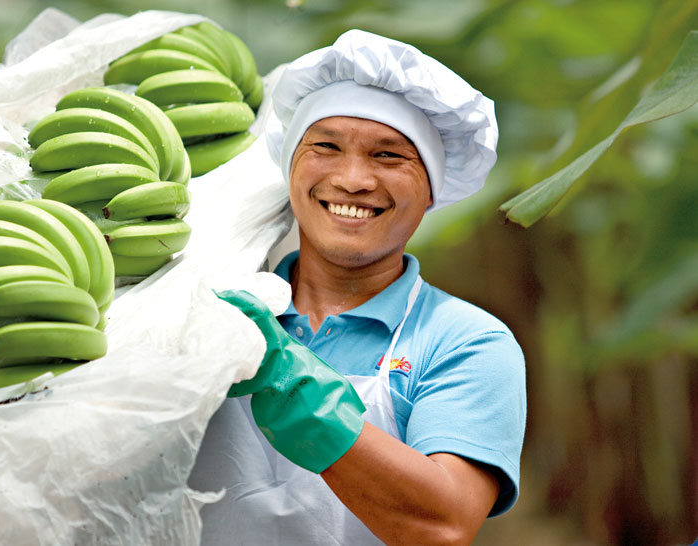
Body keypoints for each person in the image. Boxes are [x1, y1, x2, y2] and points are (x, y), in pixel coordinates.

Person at [188, 29, 527, 546]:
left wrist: (289, 380)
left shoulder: (467, 343)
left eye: (389, 156)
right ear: (290, 164)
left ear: (431, 187)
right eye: (325, 146)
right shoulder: (200, 309)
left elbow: (444, 524)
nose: (352, 179)